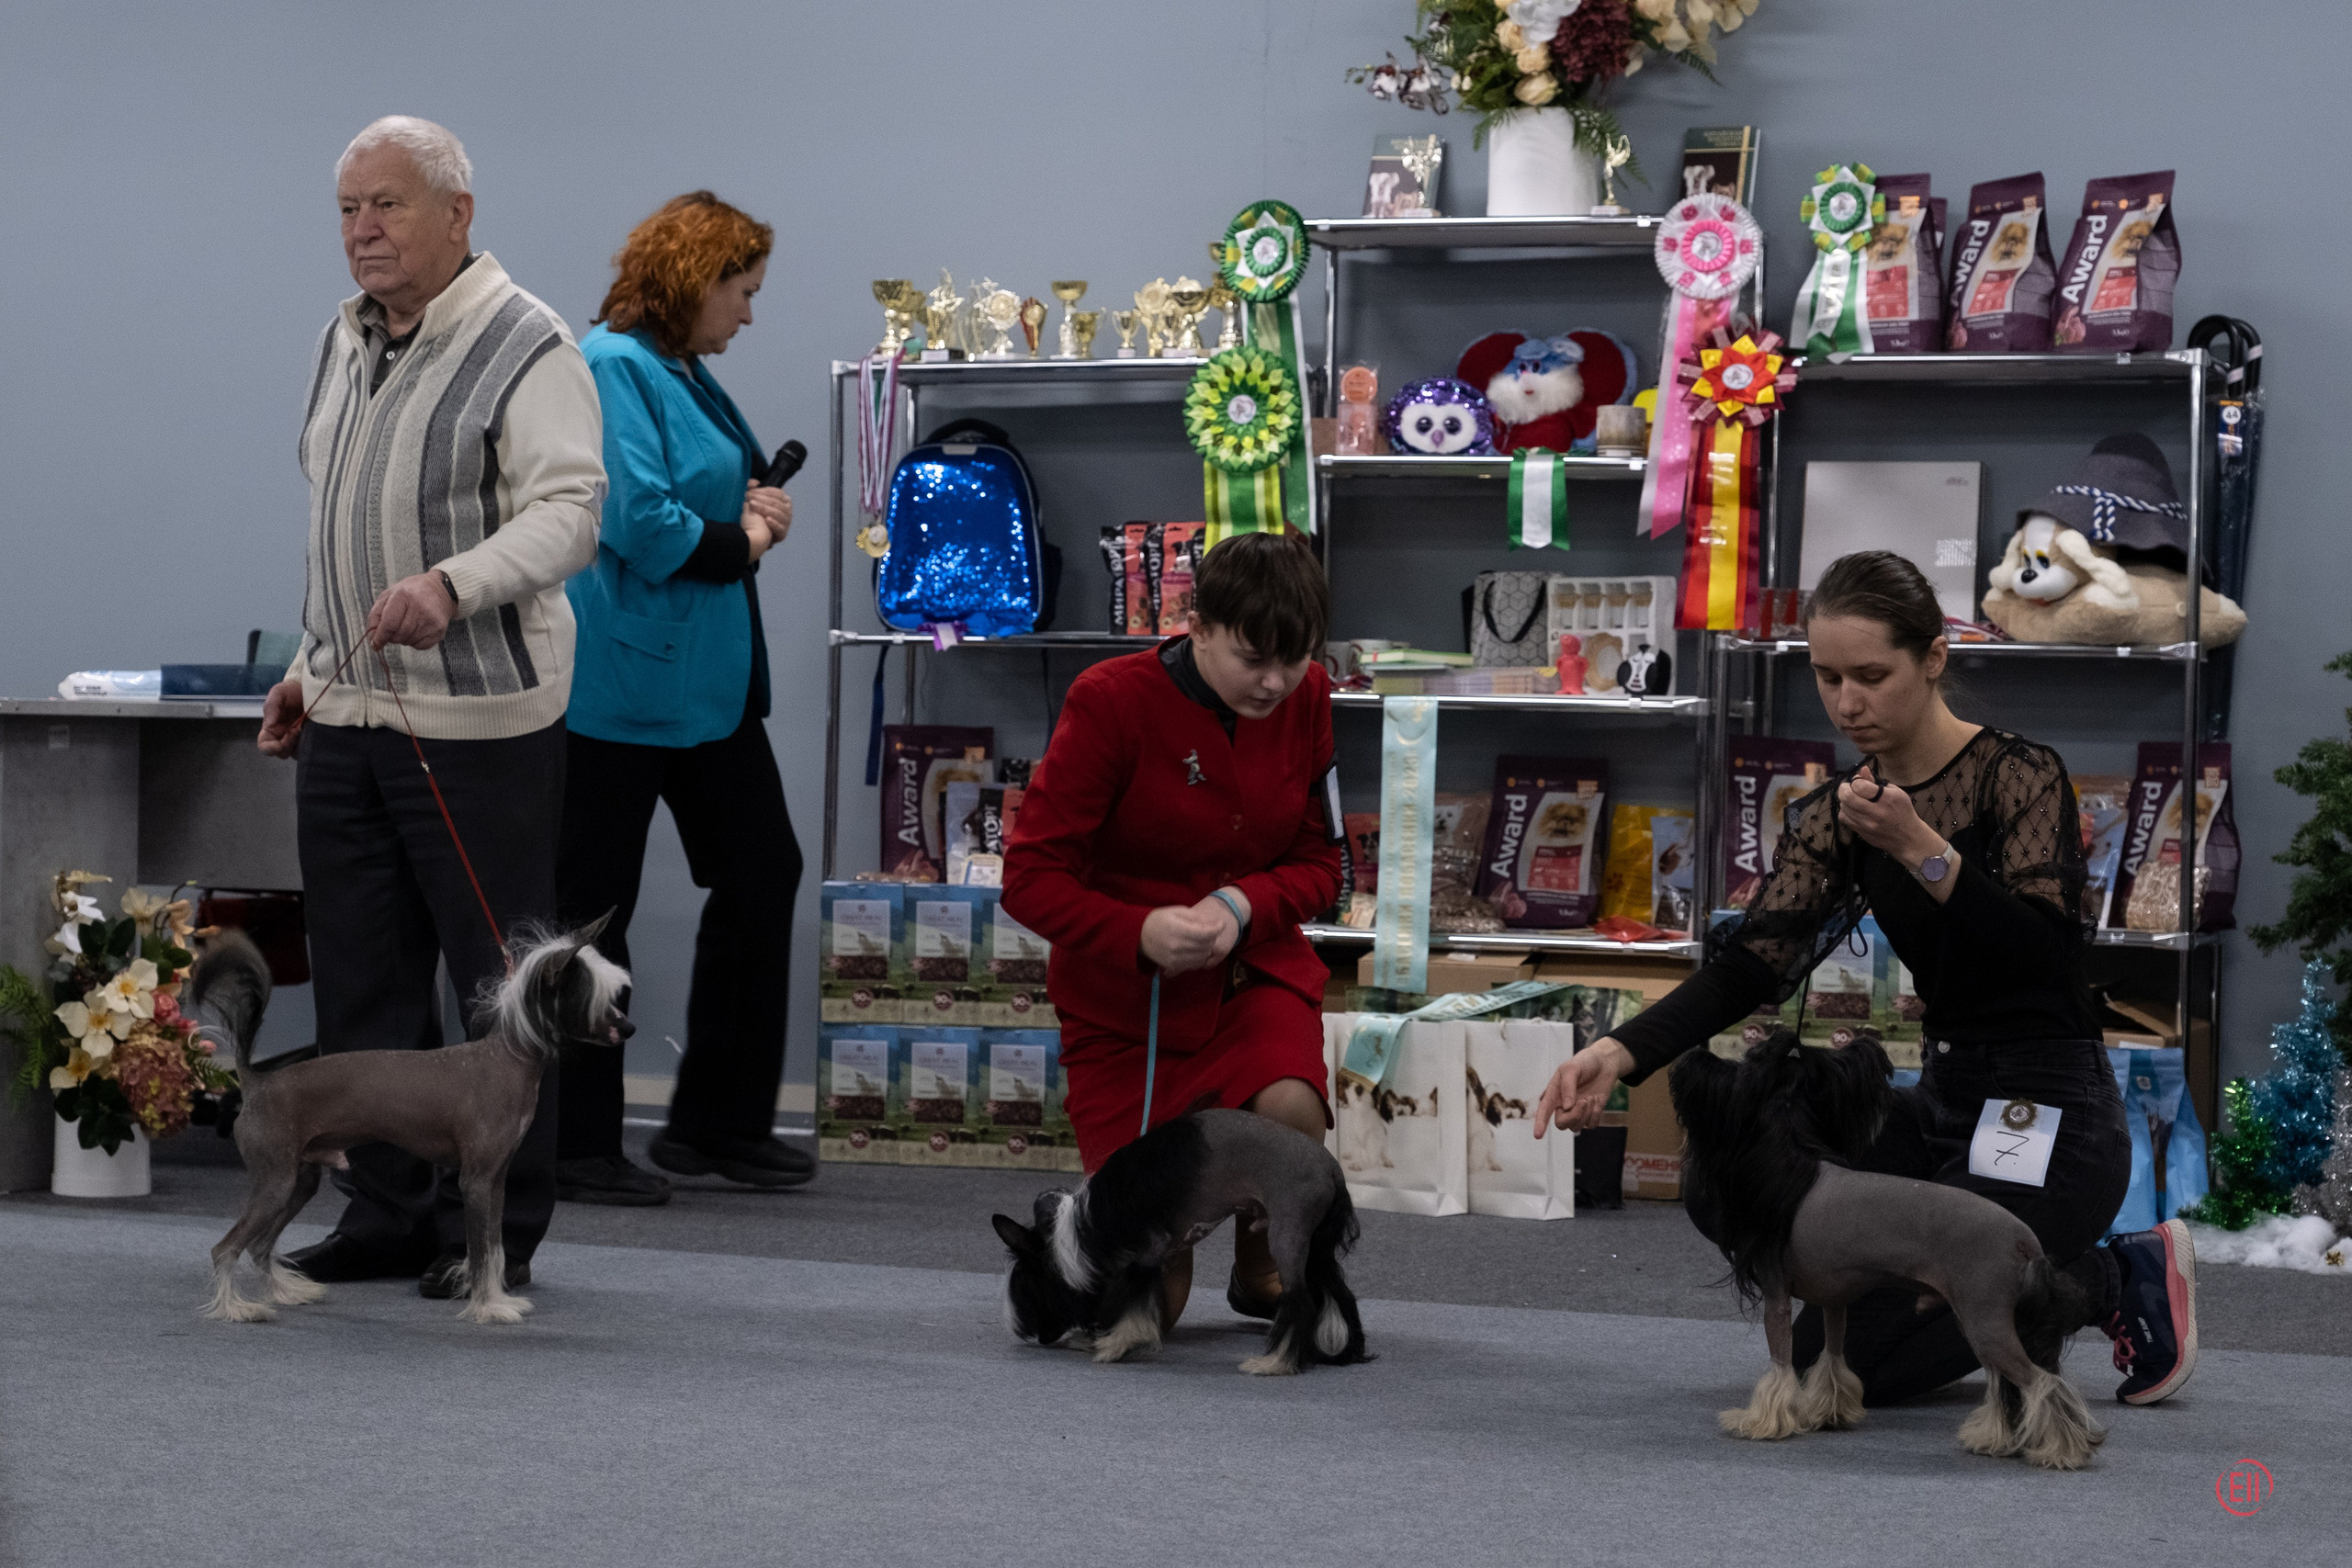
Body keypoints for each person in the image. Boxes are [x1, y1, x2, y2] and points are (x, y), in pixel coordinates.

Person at [1532, 550, 2197, 1407]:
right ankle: (1933, 1283)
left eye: (1872, 675)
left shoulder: (2019, 776)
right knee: (1730, 1180)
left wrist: (1924, 849)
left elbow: (2050, 956)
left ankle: (2117, 1275)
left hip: (2050, 1113)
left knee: (1859, 1365)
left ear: (1933, 659)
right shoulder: (1843, 810)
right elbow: (1751, 963)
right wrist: (1619, 1053)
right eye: (1827, 676)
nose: (1848, 702)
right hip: (1941, 1099)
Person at [255, 117, 604, 1295]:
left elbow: (569, 515)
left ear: (459, 213)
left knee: (501, 994)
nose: (363, 230)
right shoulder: (340, 341)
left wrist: (454, 585)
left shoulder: (529, 340)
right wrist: (311, 667)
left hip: (483, 724)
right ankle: (386, 1213)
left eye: (389, 205)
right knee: (361, 980)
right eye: (349, 209)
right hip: (350, 713)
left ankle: (496, 1237)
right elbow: (335, 525)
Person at [1002, 531, 1343, 1326]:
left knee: (1291, 1107)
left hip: (1250, 979)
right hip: (1127, 1003)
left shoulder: (1312, 695)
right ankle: (1144, 1257)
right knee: (1153, 1299)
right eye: (1253, 656)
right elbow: (1029, 877)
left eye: (1293, 660)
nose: (1274, 681)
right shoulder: (1109, 699)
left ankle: (1264, 1264)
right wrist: (1138, 931)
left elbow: (1325, 866)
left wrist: (1242, 905)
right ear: (1195, 621)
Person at [552, 193, 810, 1202]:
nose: (748, 313)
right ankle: (574, 1144)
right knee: (587, 918)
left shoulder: (678, 369)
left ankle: (717, 1124)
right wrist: (747, 536)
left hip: (701, 690)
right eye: (740, 293)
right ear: (693, 279)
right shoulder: (611, 364)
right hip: (618, 689)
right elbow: (644, 526)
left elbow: (689, 495)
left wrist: (748, 504)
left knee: (762, 874)